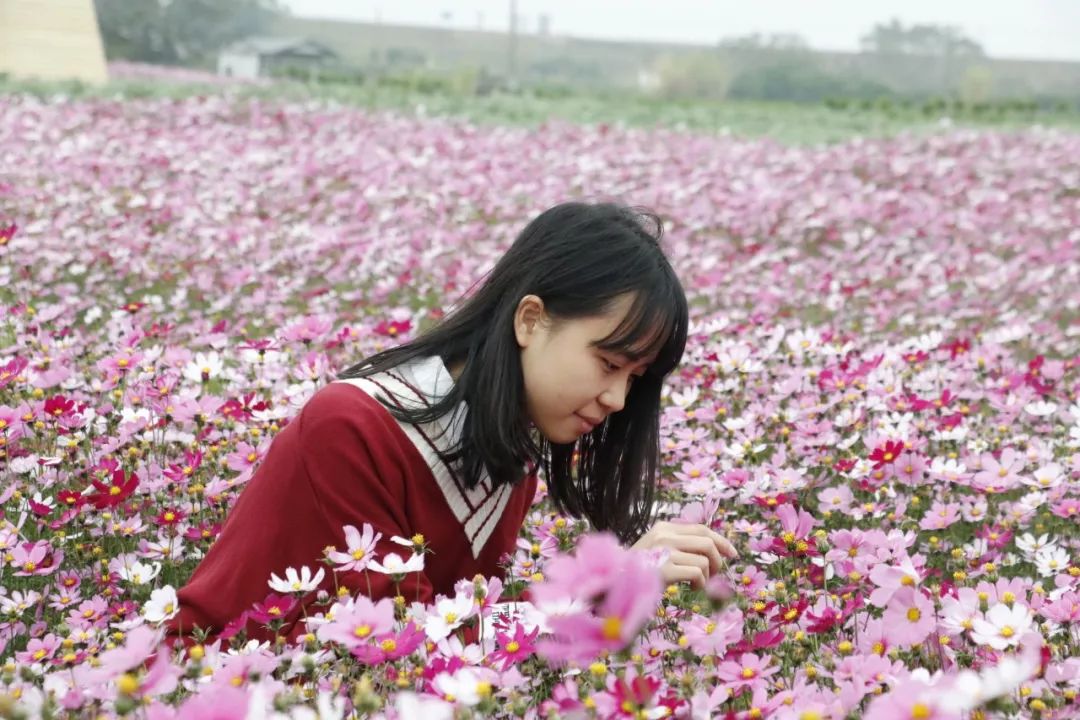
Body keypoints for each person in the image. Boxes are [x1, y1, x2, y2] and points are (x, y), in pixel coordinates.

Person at [167, 201, 737, 646]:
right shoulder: (352, 426)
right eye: (609, 363)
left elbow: (455, 644)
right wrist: (608, 590)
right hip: (210, 684)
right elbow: (400, 647)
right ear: (531, 320)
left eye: (635, 378)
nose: (616, 397)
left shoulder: (507, 458)